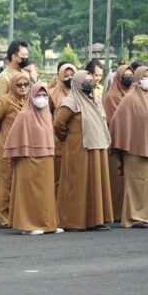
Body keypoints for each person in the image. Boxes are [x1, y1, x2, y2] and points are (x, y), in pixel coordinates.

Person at [109, 66, 148, 228]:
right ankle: (135, 216)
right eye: (144, 76)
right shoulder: (130, 99)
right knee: (137, 184)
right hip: (135, 151)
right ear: (137, 78)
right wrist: (126, 141)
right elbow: (116, 122)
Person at [53, 70, 113, 231]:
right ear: (77, 84)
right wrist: (71, 137)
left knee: (94, 184)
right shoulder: (71, 102)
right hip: (79, 148)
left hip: (97, 147)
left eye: (90, 79)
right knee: (77, 184)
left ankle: (95, 220)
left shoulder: (96, 100)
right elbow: (58, 124)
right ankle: (73, 221)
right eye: (84, 81)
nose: (89, 83)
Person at [2, 83, 62, 235]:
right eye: (38, 95)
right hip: (28, 160)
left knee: (46, 193)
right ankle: (28, 226)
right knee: (29, 192)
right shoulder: (24, 115)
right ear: (31, 97)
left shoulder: (47, 113)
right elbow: (13, 139)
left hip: (46, 158)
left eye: (44, 95)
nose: (42, 99)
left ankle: (48, 224)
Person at [0, 73, 30, 228]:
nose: (23, 87)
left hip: (23, 147)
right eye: (19, 85)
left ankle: (16, 215)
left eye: (26, 84)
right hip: (6, 146)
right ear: (12, 85)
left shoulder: (29, 101)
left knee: (19, 182)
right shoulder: (4, 101)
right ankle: (3, 216)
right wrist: (3, 133)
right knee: (5, 182)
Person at [103, 64, 134, 221]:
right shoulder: (111, 97)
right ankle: (114, 212)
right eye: (125, 75)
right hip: (115, 143)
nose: (129, 78)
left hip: (131, 142)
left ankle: (126, 211)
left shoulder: (135, 95)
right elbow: (112, 122)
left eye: (131, 75)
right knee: (116, 179)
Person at [49, 63, 77, 196]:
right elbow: (49, 117)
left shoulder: (80, 92)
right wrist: (62, 135)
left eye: (73, 75)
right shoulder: (52, 94)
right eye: (66, 76)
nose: (70, 78)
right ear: (59, 77)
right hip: (58, 142)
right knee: (57, 180)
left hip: (76, 143)